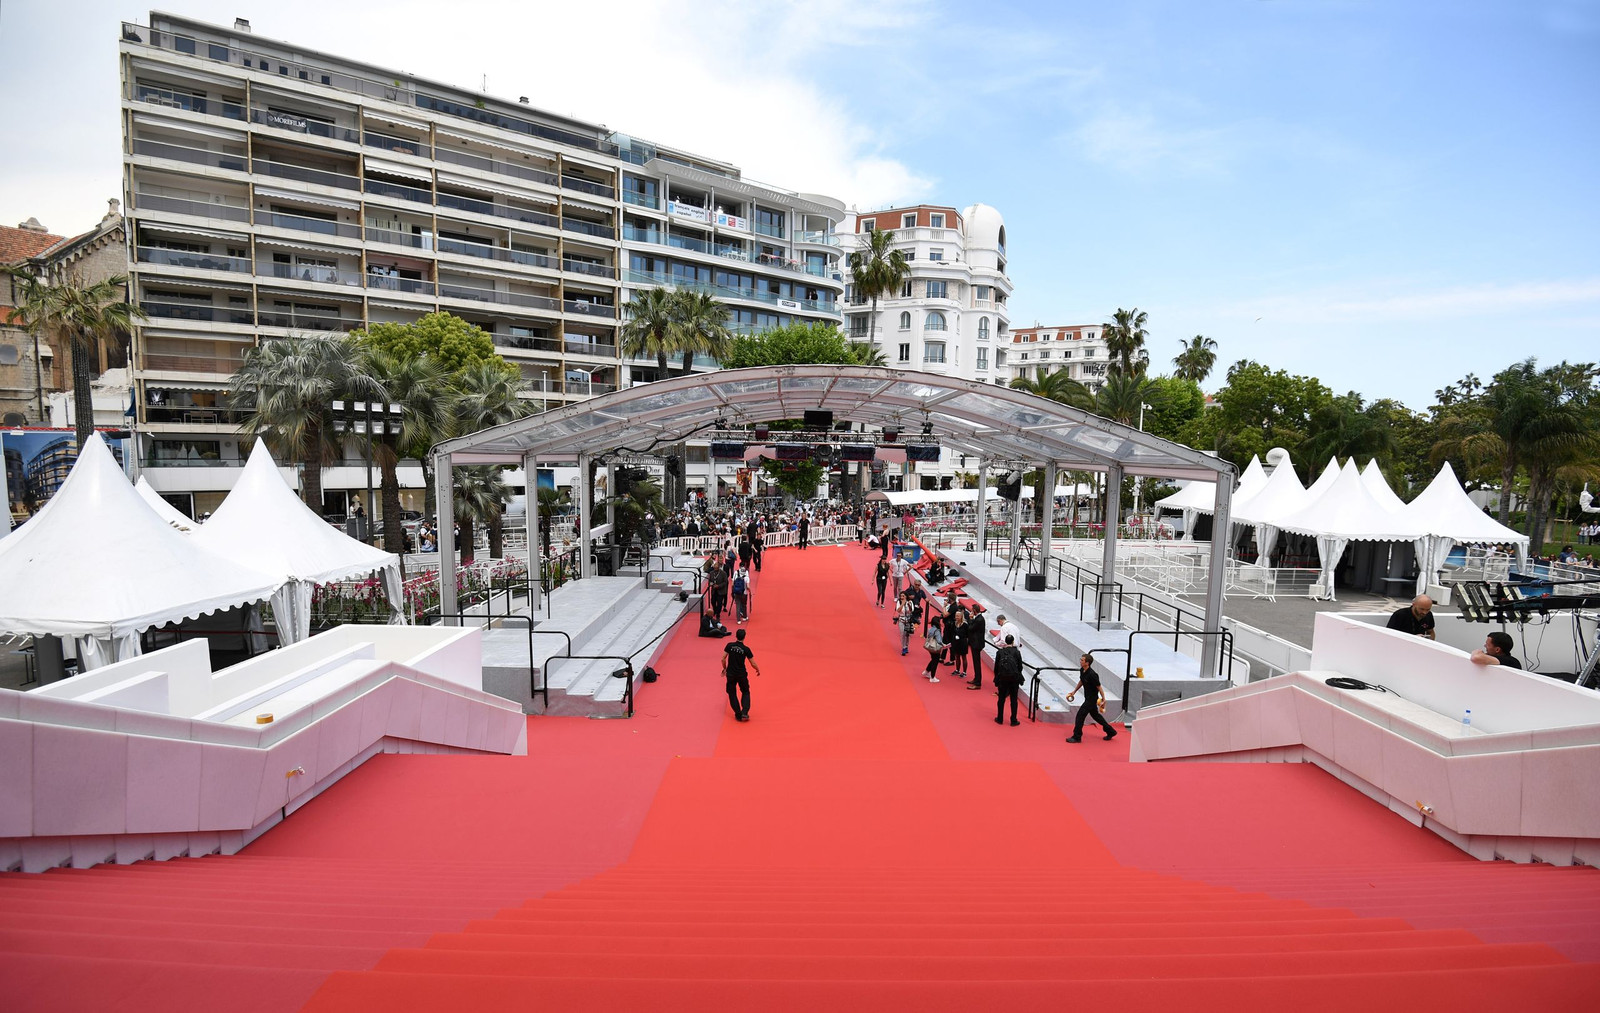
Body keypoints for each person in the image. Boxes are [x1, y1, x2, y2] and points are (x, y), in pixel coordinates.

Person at [1065, 653, 1118, 743]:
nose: (1080, 661)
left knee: (1080, 716)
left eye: (1082, 660)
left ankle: (1077, 737)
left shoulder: (1093, 675)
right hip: (1087, 697)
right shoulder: (1082, 670)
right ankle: (1111, 731)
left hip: (1092, 699)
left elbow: (1099, 687)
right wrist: (1074, 691)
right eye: (1080, 659)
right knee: (1096, 716)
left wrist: (1104, 699)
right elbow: (1082, 681)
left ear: (1087, 663)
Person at [722, 628, 760, 721]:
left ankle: (738, 713)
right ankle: (745, 712)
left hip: (731, 674)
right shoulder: (746, 649)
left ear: (736, 636)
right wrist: (757, 669)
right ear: (744, 637)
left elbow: (723, 658)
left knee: (732, 693)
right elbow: (753, 663)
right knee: (745, 691)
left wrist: (724, 668)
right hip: (741, 674)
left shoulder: (729, 646)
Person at [993, 633, 1024, 726]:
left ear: (1005, 642)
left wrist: (997, 678)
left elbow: (996, 667)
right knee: (1014, 700)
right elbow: (1020, 667)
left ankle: (1000, 718)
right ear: (1013, 642)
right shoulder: (1017, 652)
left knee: (1001, 699)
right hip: (1014, 679)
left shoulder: (1000, 652)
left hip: (1002, 678)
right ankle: (1013, 720)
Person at [965, 606, 987, 690]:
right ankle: (976, 679)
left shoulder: (979, 619)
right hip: (975, 643)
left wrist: (970, 619)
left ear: (974, 610)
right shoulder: (978, 618)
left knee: (977, 663)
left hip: (976, 644)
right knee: (975, 663)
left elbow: (970, 628)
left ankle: (978, 683)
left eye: (972, 610)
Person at [896, 591, 918, 656]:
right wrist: (902, 604)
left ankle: (906, 645)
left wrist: (908, 604)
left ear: (906, 596)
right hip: (901, 620)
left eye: (903, 596)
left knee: (907, 634)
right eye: (901, 596)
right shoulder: (899, 602)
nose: (902, 597)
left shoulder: (910, 602)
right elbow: (898, 610)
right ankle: (903, 647)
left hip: (908, 620)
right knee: (902, 634)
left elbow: (911, 610)